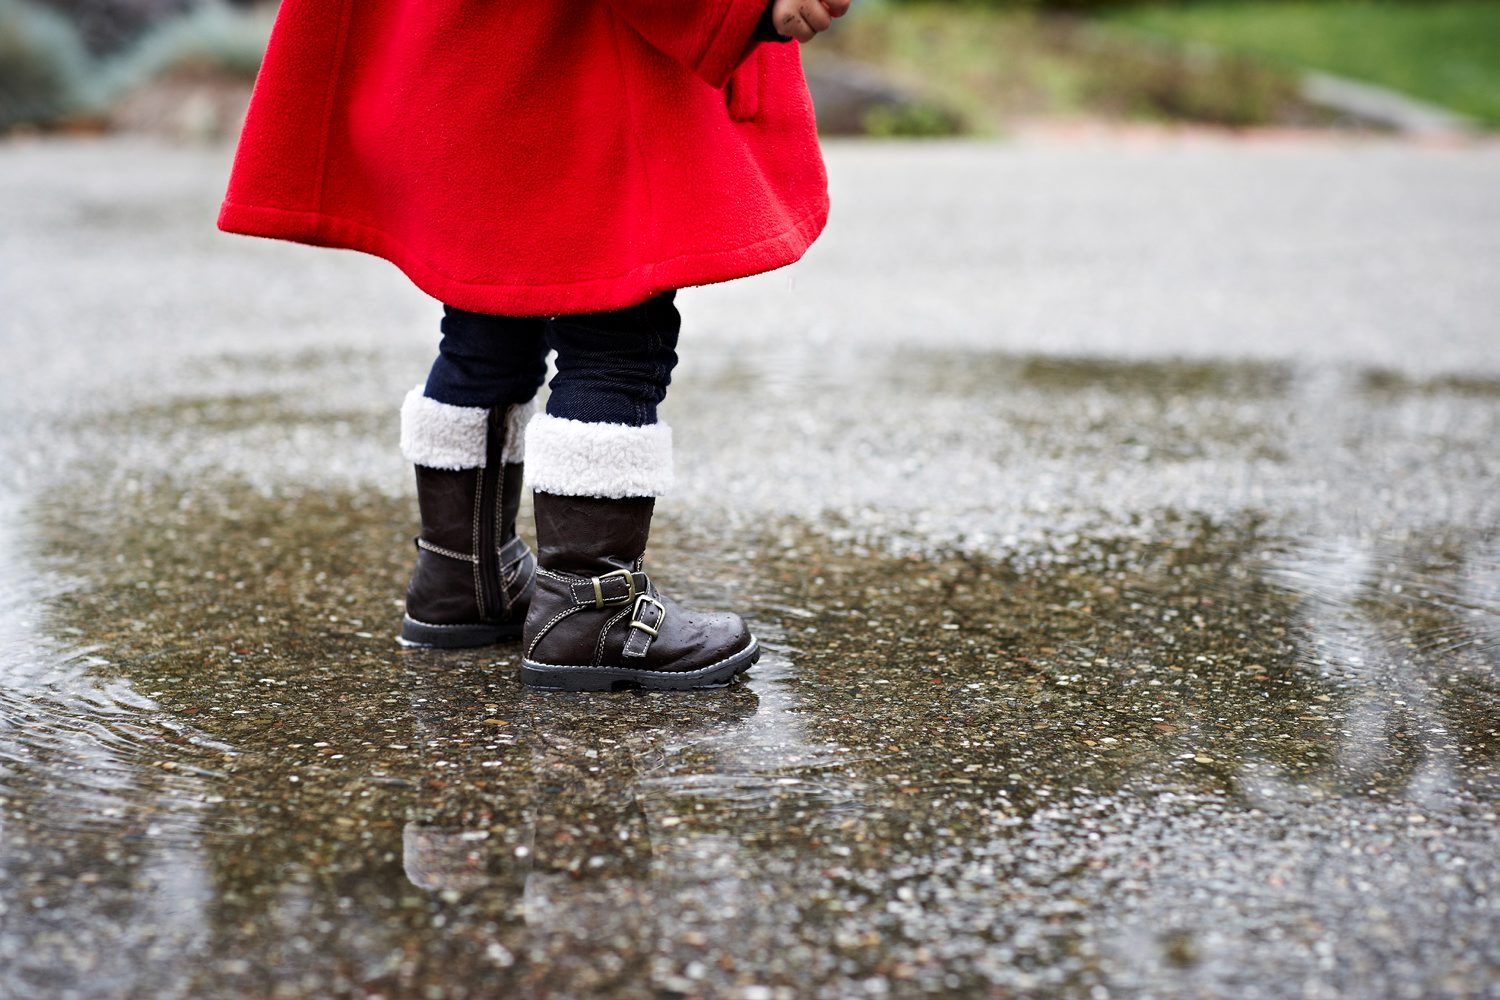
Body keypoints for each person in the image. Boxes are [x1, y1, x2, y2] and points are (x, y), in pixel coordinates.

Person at [218, 1, 849, 690]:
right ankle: (591, 610)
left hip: (468, 47)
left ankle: (462, 578)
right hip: (574, 56)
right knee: (616, 325)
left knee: (488, 314)